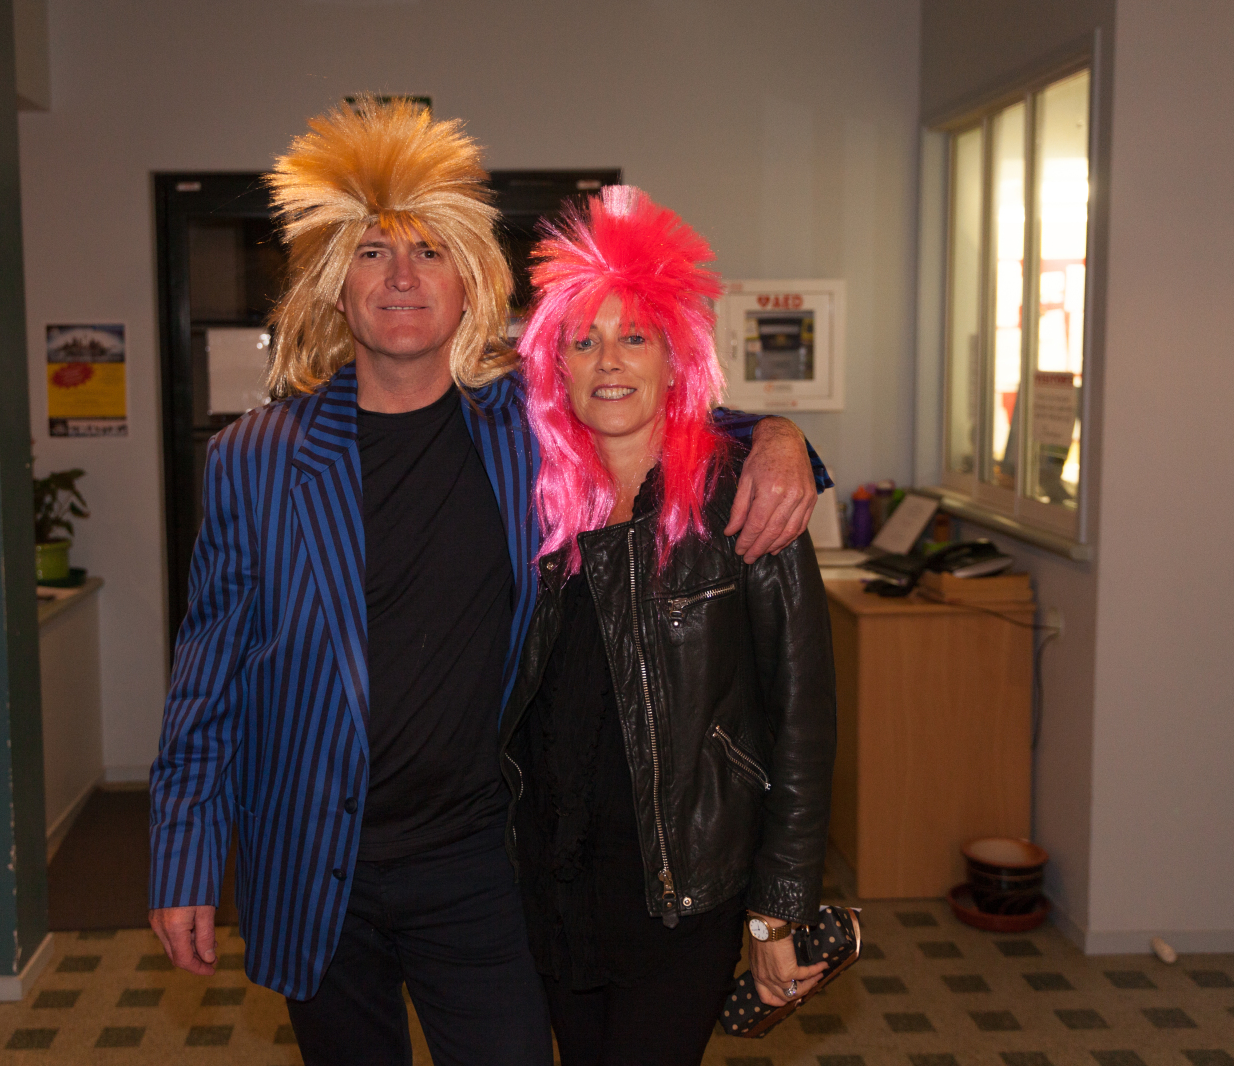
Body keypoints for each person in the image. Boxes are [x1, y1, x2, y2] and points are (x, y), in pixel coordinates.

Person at [148, 99, 829, 1066]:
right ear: (336, 285)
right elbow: (205, 681)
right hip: (310, 860)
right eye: (374, 253)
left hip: (478, 864)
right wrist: (182, 859)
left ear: (469, 283)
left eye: (430, 251)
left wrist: (780, 438)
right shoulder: (254, 460)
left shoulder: (525, 433)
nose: (402, 277)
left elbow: (646, 403)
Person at [501, 186, 838, 1066]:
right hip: (555, 884)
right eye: (584, 341)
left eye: (635, 338)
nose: (609, 362)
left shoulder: (742, 499)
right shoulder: (533, 506)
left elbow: (802, 721)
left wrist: (777, 910)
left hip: (683, 893)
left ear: (675, 358)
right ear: (556, 367)